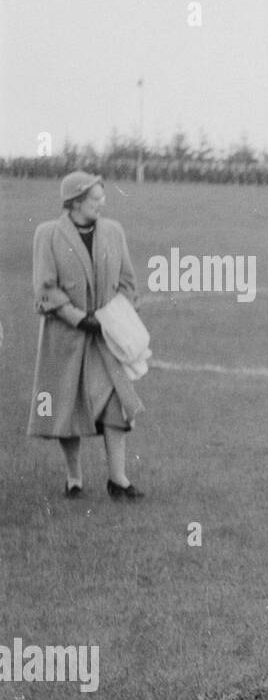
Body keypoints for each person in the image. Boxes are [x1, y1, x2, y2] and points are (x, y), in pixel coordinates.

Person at [27, 172, 145, 499]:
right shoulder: (48, 234)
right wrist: (80, 320)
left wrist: (116, 317)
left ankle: (118, 480)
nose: (102, 203)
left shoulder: (113, 231)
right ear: (76, 201)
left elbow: (128, 283)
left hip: (107, 337)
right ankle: (74, 478)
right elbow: (45, 289)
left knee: (116, 405)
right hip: (67, 337)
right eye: (95, 199)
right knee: (67, 407)